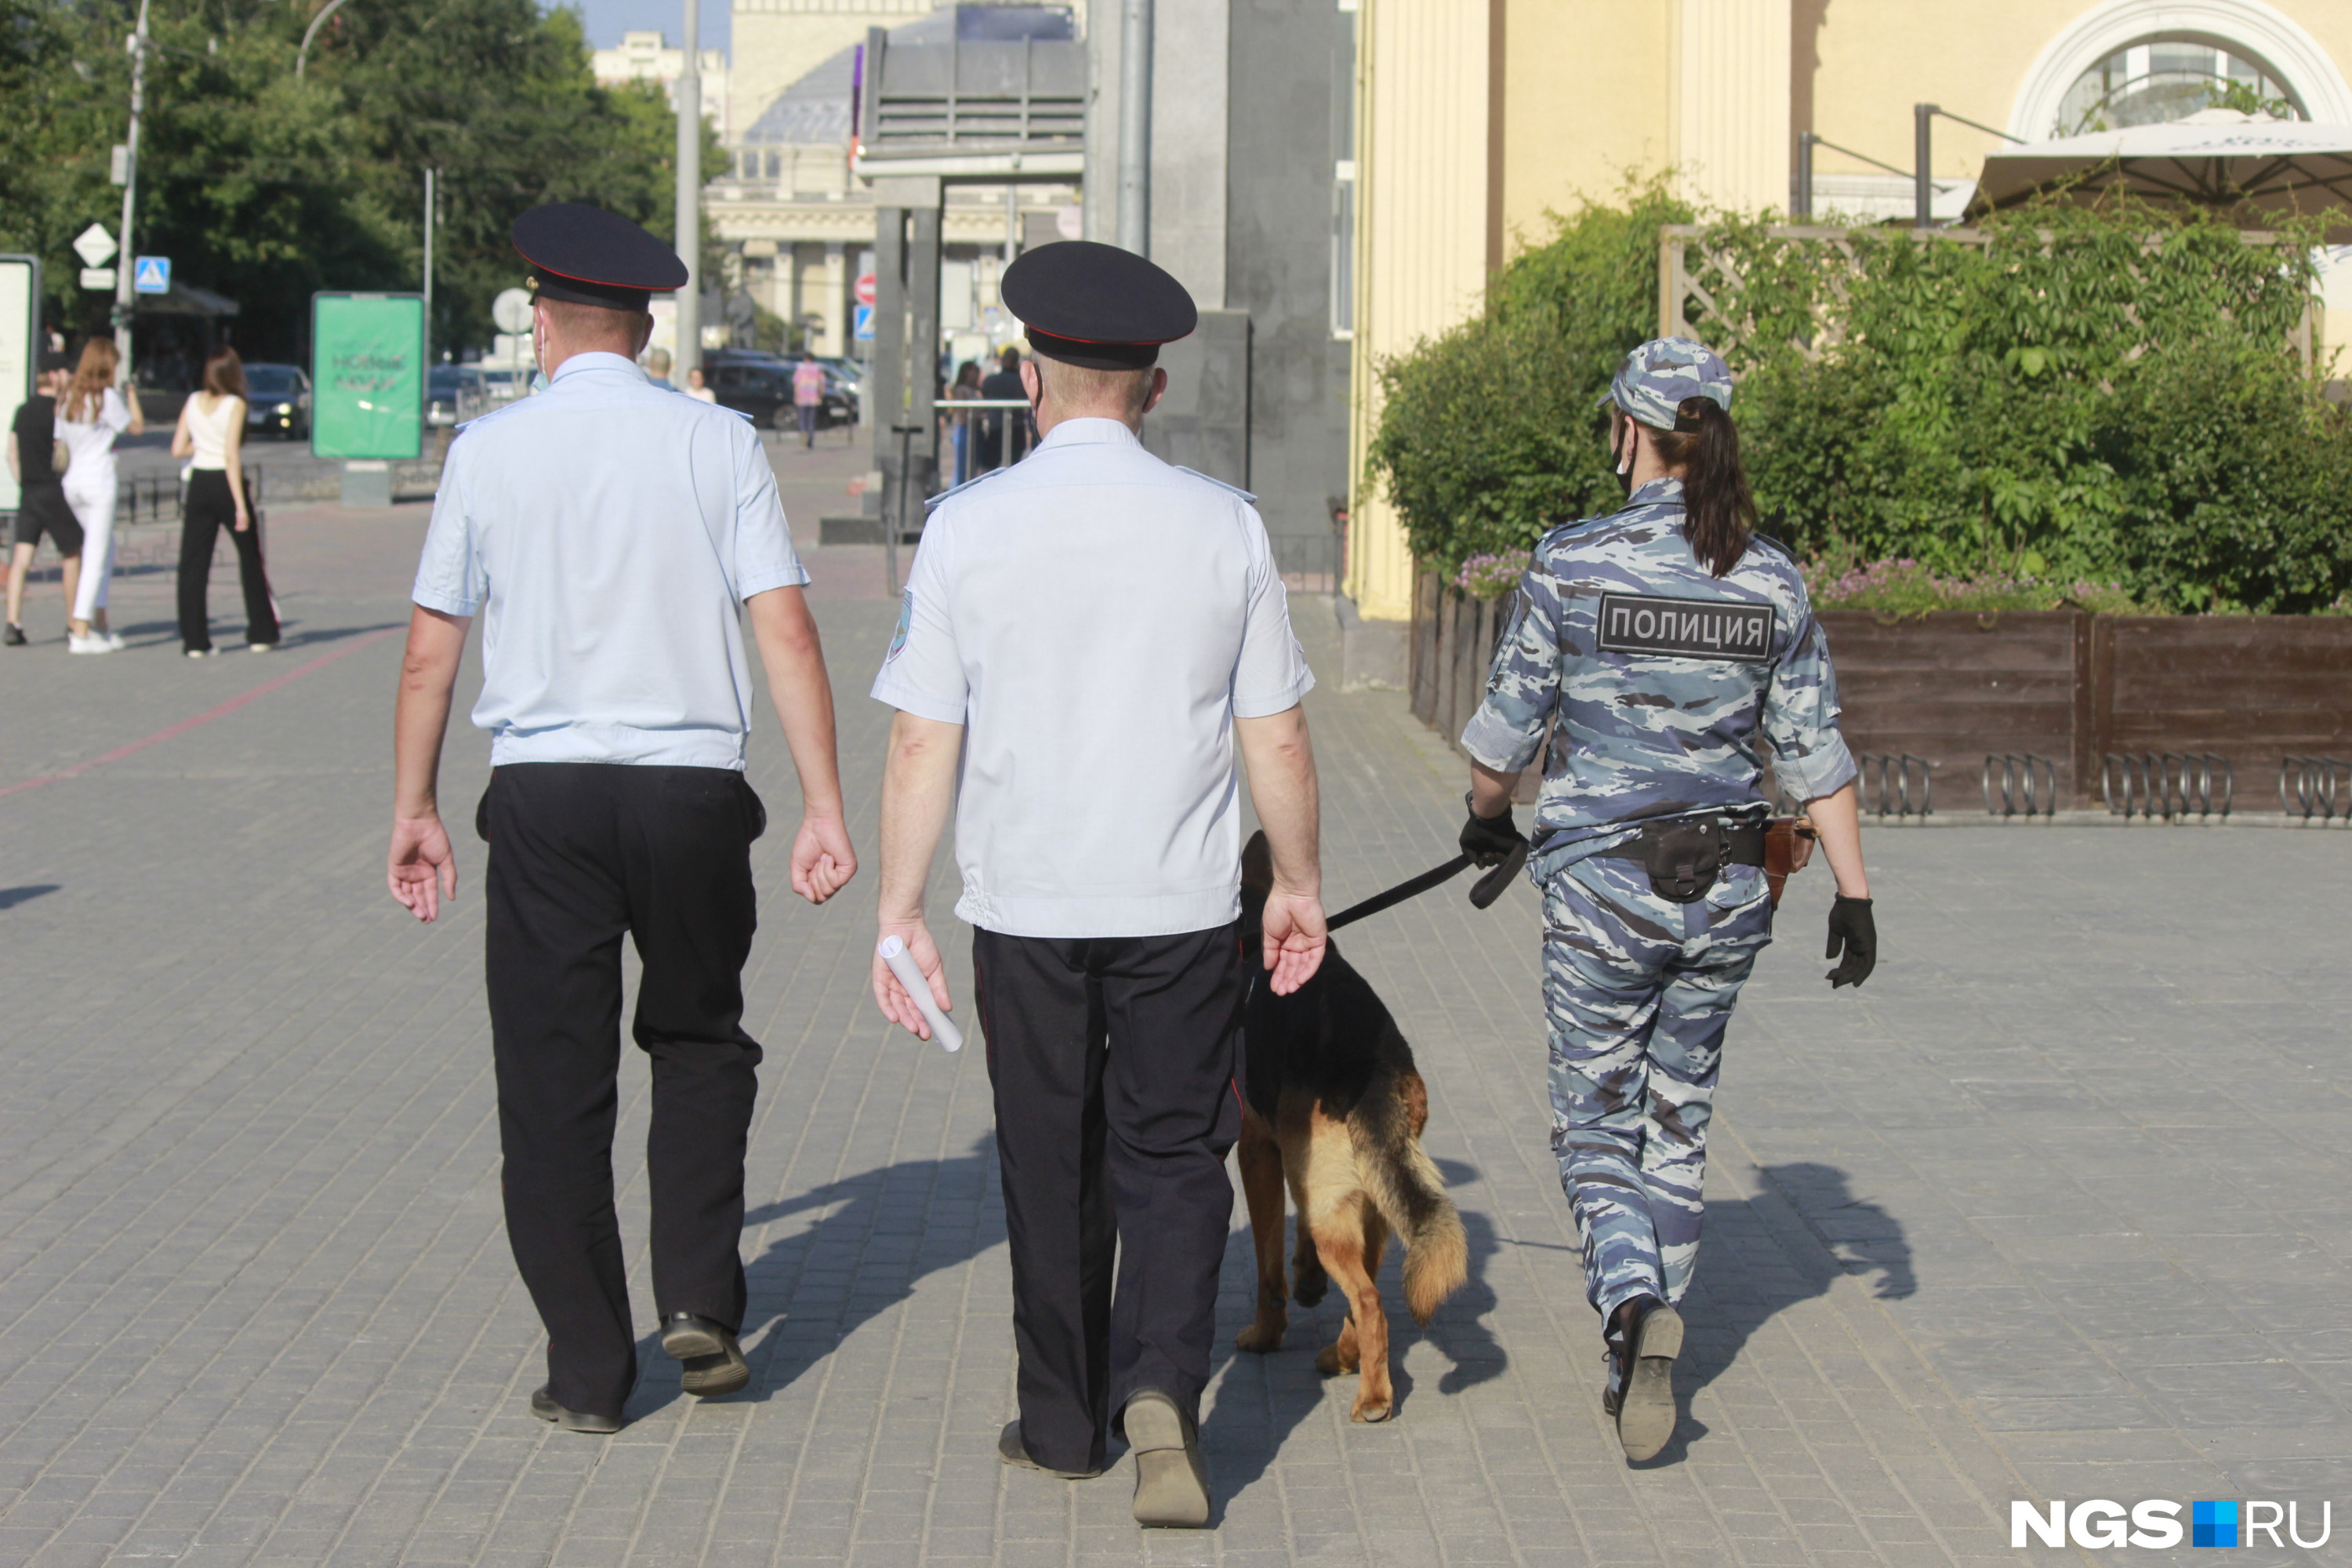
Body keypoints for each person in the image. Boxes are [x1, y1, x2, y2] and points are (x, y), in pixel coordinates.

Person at [869, 239, 1324, 1527]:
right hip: (1181, 907)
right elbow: (1275, 734)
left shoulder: (965, 528)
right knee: (1174, 1156)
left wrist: (899, 910)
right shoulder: (1224, 527)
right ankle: (1165, 1394)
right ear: (1154, 390)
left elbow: (921, 738)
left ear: (1030, 379)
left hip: (1026, 907)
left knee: (1048, 1157)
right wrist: (1296, 882)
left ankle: (1063, 1423)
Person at [385, 202, 858, 1436]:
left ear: (542, 323)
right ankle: (699, 1292)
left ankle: (591, 1374)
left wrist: (415, 806)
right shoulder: (719, 444)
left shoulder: (487, 453)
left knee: (553, 1086)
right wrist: (824, 804)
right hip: (691, 790)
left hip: (541, 796)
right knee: (699, 1041)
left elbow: (434, 649)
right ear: (644, 330)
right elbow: (786, 628)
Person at [1454, 337, 1876, 1465]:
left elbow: (1503, 740)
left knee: (1595, 1117)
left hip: (1603, 890)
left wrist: (1487, 821)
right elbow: (1815, 750)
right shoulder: (1771, 576)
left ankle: (1634, 1306)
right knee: (1679, 1117)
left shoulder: (1573, 563)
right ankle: (1640, 1350)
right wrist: (1854, 892)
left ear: (1627, 433)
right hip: (1735, 888)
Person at [172, 347, 278, 656]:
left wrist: (201, 443)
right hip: (225, 482)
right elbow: (232, 455)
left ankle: (195, 641)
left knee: (193, 564)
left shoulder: (193, 401)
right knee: (249, 559)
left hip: (198, 483)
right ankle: (261, 632)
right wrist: (241, 505)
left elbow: (177, 448)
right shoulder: (235, 404)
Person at [56, 339, 144, 653]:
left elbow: (60, 440)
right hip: (99, 484)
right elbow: (136, 427)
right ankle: (81, 630)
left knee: (106, 549)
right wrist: (131, 394)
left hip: (73, 484)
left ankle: (101, 625)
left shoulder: (67, 396)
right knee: (96, 554)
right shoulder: (106, 398)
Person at [5, 353, 81, 646]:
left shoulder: (22, 410)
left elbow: (11, 452)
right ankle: (74, 622)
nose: (69, 379)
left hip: (28, 491)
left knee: (22, 558)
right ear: (54, 376)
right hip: (52, 490)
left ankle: (13, 623)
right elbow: (62, 453)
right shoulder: (58, 412)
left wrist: (22, 478)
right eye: (65, 373)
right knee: (73, 552)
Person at [975, 344, 1029, 470]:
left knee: (989, 468)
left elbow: (983, 394)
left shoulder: (991, 380)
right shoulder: (1022, 382)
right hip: (1016, 428)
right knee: (1015, 467)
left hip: (996, 428)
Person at [943, 361, 981, 484]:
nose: (976, 373)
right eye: (973, 370)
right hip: (964, 428)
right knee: (962, 467)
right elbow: (961, 413)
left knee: (971, 466)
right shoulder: (961, 389)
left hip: (973, 428)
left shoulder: (975, 390)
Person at [791, 355, 825, 448]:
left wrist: (795, 396)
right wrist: (821, 395)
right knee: (811, 419)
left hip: (802, 397)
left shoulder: (801, 369)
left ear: (805, 359)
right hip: (813, 398)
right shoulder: (817, 369)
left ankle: (803, 432)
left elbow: (796, 383)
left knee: (802, 418)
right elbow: (821, 383)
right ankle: (810, 437)